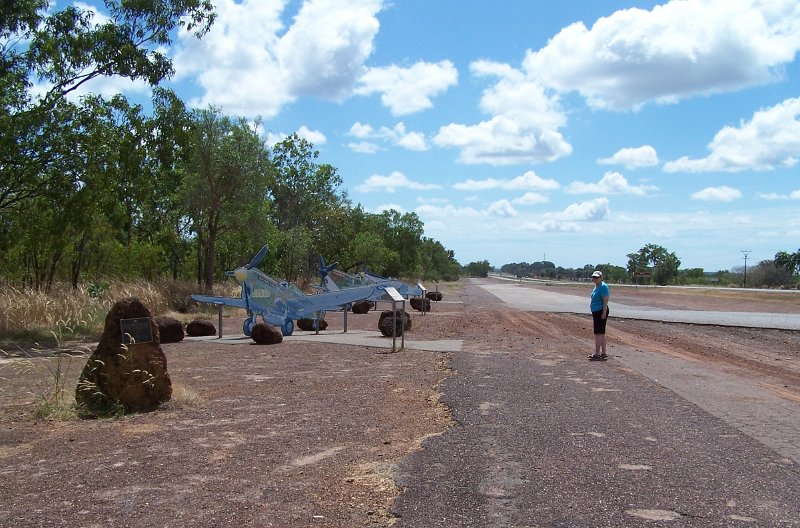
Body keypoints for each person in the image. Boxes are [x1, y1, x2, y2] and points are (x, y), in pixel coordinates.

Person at [588, 270, 610, 361]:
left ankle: (597, 353)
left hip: (600, 311)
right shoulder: (596, 286)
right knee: (601, 333)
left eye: (597, 277)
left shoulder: (603, 287)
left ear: (601, 278)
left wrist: (604, 313)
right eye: (593, 277)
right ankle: (603, 352)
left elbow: (605, 301)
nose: (595, 279)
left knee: (598, 333)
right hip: (596, 311)